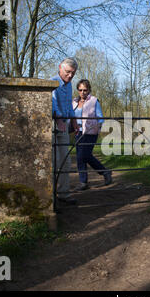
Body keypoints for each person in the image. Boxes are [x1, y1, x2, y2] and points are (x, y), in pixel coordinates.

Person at [73, 79, 112, 190]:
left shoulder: (94, 101)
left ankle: (104, 172)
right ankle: (83, 182)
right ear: (78, 90)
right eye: (80, 90)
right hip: (78, 132)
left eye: (85, 90)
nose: (82, 92)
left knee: (84, 155)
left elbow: (100, 118)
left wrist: (97, 127)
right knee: (80, 158)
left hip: (90, 132)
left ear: (89, 90)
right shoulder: (74, 102)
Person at [51, 58, 80, 205]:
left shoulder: (68, 86)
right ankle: (50, 197)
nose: (70, 76)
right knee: (53, 162)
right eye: (68, 72)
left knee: (65, 162)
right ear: (60, 68)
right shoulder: (53, 83)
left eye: (73, 74)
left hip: (63, 127)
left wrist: (74, 121)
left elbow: (69, 106)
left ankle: (63, 193)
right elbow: (52, 103)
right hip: (52, 127)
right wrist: (59, 120)